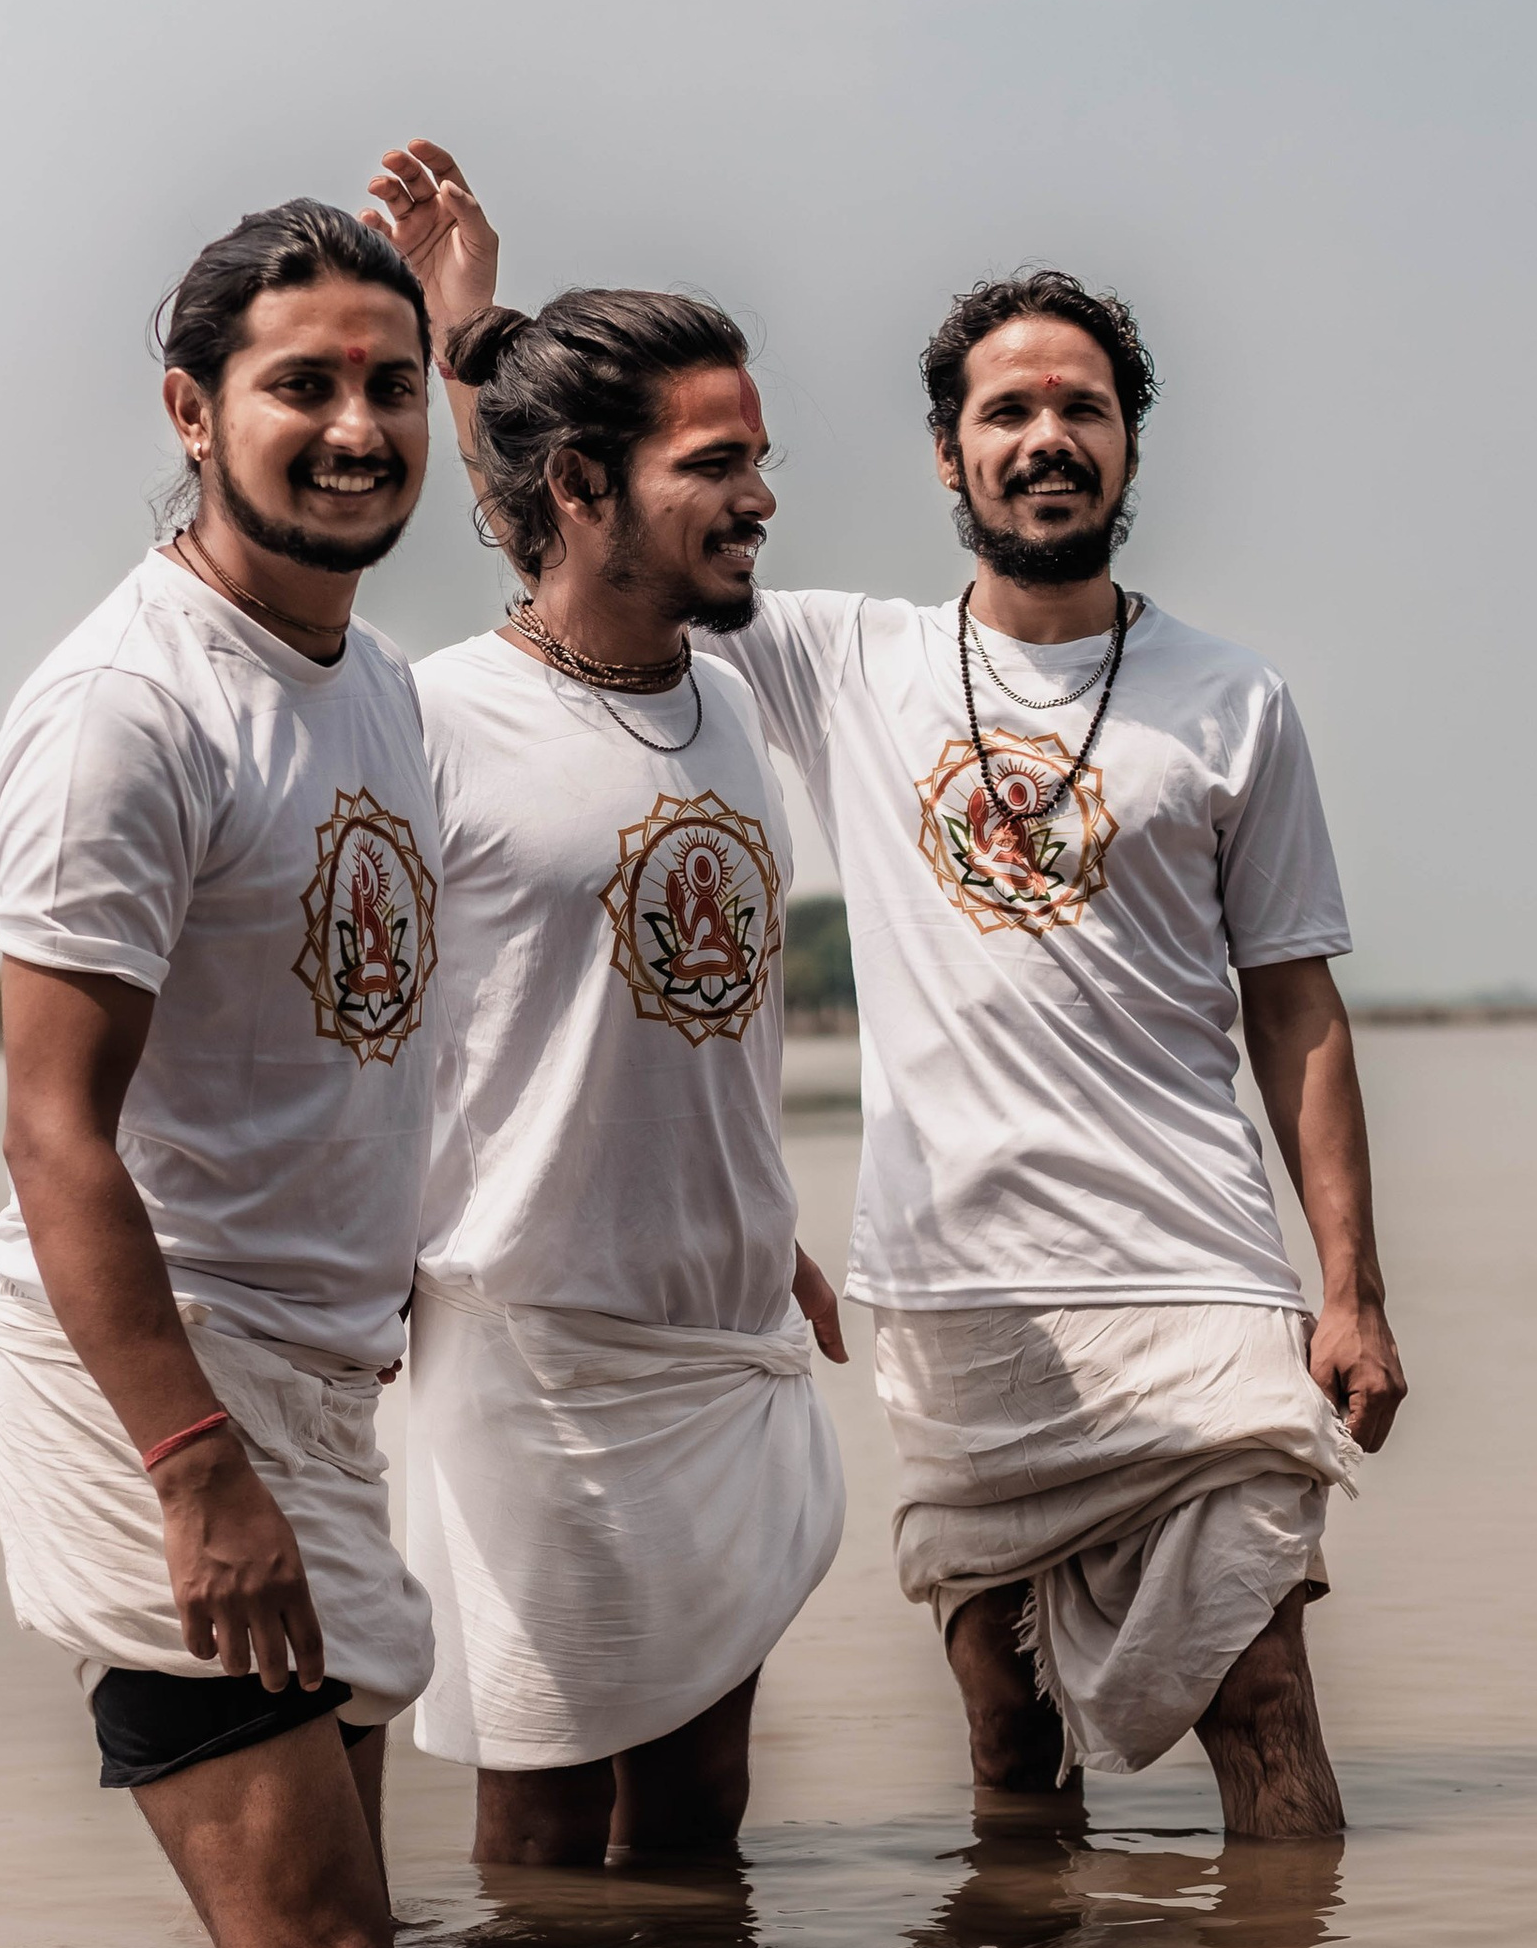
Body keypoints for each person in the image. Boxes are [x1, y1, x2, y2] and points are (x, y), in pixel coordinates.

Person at [365, 147, 1404, 1841]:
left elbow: (1299, 1008)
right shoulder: (839, 658)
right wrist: (472, 330)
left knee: (1267, 1694)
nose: (1045, 437)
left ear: (1131, 439)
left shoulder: (1235, 700)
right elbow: (596, 537)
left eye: (1081, 406)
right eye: (1005, 410)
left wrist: (1346, 1287)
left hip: (1196, 1273)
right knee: (1007, 1743)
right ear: (949, 453)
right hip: (955, 1291)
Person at [0, 201, 442, 1948]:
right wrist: (178, 1454)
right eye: (299, 384)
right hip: (186, 1405)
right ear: (191, 409)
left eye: (390, 386)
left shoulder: (375, 685)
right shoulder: (128, 708)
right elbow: (53, 1128)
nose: (354, 427)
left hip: (313, 1385)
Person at [377, 275, 847, 1866]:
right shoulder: (430, 720)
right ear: (581, 486)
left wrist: (769, 1237)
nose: (758, 496)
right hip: (534, 1344)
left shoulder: (729, 697)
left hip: (722, 1337)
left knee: (706, 1806)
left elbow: (662, 1018)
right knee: (551, 1797)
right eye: (714, 463)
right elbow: (348, 1037)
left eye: (756, 456)